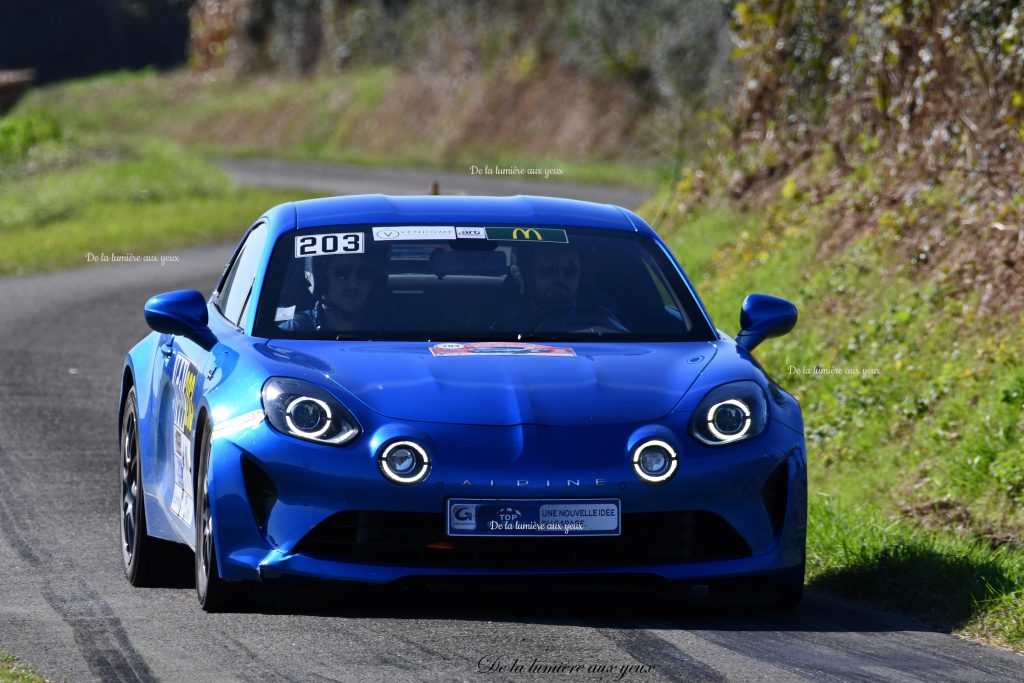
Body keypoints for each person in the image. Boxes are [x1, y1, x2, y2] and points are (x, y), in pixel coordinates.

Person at [489, 243, 627, 333]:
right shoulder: (505, 325)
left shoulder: (604, 321)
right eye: (546, 268)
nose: (559, 278)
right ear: (528, 275)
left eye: (569, 269)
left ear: (582, 276)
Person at [279, 250, 387, 333]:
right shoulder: (291, 332)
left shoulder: (389, 329)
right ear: (322, 278)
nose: (353, 283)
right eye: (342, 272)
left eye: (364, 273)